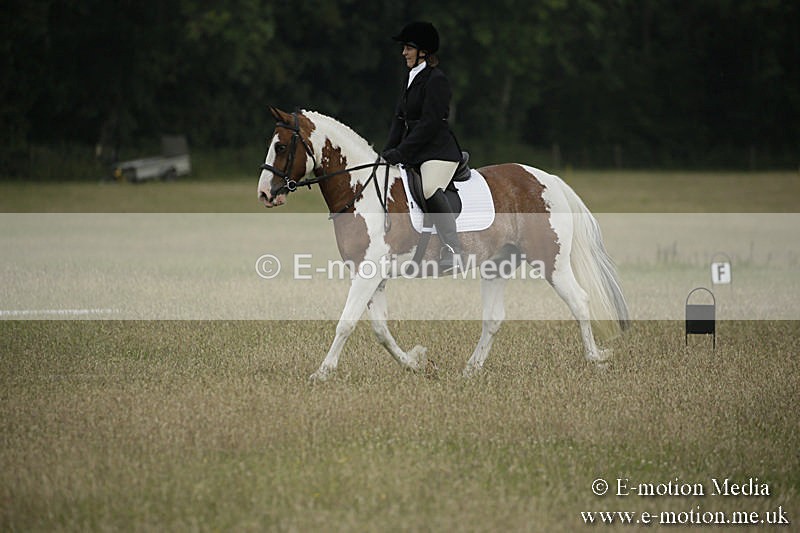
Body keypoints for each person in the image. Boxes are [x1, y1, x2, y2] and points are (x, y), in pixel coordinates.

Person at [381, 21, 463, 273]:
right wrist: (386, 154)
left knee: (429, 188)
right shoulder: (411, 77)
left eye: (408, 48)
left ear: (423, 51)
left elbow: (429, 125)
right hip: (417, 152)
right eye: (404, 48)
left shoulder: (437, 80)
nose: (403, 52)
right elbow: (399, 119)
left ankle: (453, 250)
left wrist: (402, 152)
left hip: (439, 152)